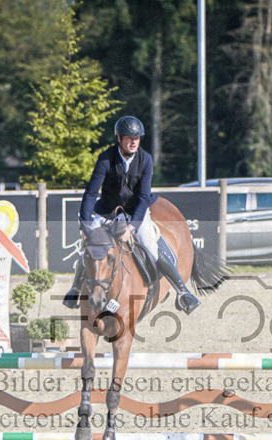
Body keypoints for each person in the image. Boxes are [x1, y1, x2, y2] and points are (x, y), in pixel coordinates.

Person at [63, 116, 200, 314]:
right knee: (90, 249)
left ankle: (182, 291)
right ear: (119, 138)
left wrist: (132, 227)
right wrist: (85, 226)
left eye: (137, 138)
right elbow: (91, 193)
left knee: (151, 247)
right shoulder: (105, 159)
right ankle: (75, 288)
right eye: (129, 138)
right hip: (107, 212)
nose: (134, 141)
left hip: (135, 213)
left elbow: (144, 197)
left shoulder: (145, 160)